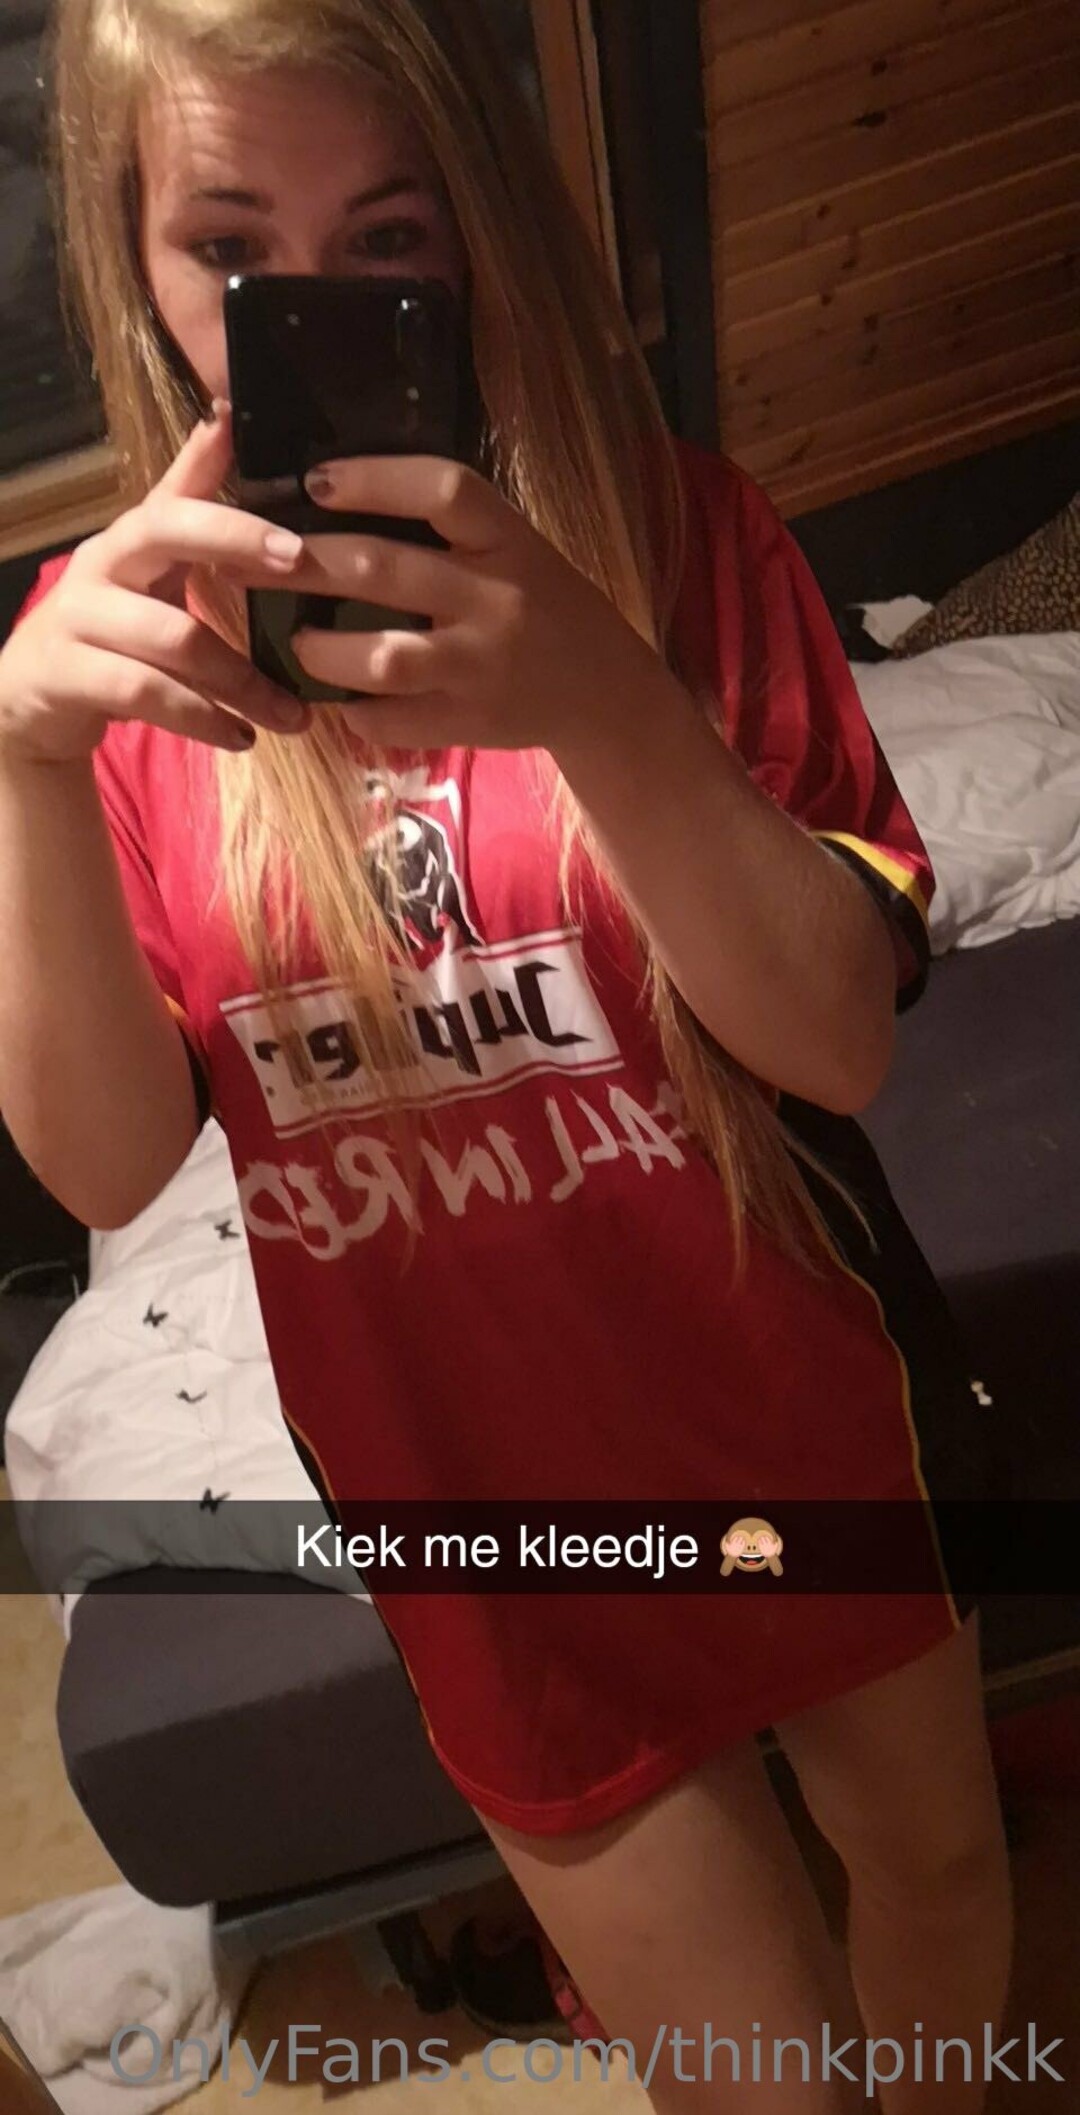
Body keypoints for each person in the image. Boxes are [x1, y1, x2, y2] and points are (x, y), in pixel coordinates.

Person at [0, 2, 1011, 2108]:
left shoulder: (675, 540)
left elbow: (838, 1039)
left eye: (389, 237)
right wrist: (23, 771)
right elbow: (103, 1171)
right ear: (137, 259)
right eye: (231, 249)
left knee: (934, 1892)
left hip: (801, 1427)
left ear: (478, 226)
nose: (313, 309)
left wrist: (596, 691)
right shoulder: (116, 679)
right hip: (489, 1535)